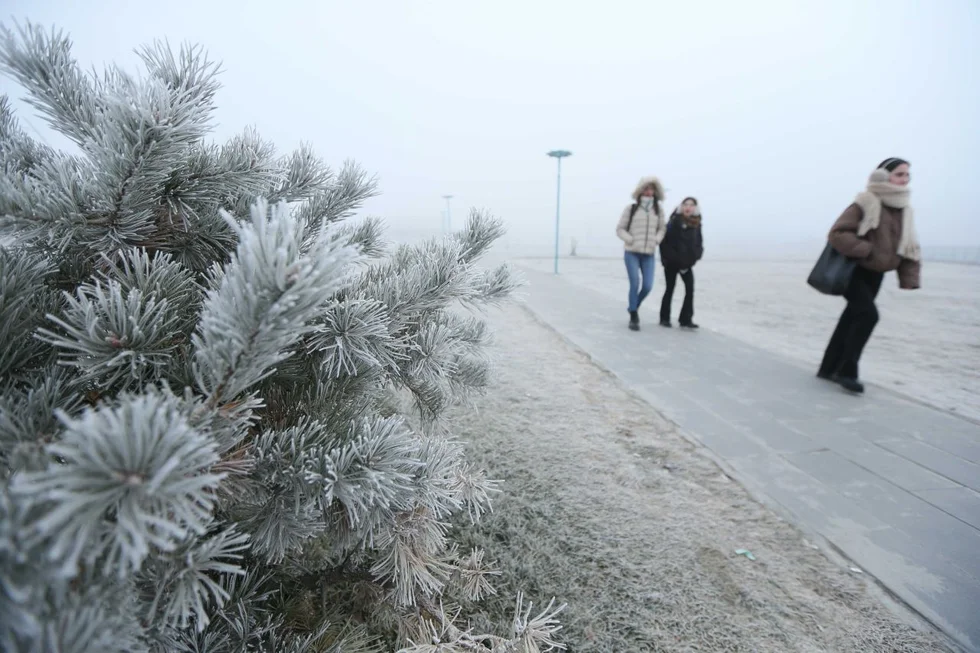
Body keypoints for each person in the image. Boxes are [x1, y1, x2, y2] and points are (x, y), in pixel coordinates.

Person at [817, 157, 921, 394]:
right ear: (883, 176)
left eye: (907, 175)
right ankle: (847, 371)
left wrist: (909, 277)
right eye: (899, 174)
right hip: (854, 270)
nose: (904, 180)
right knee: (868, 315)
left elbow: (908, 246)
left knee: (851, 318)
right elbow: (838, 233)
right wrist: (866, 250)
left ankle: (827, 368)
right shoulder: (865, 202)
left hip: (876, 274)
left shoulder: (904, 209)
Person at [616, 176, 667, 331]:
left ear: (655, 191)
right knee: (635, 283)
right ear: (640, 190)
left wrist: (656, 239)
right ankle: (634, 316)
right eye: (645, 188)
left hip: (649, 253)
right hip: (631, 252)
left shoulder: (658, 210)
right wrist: (629, 239)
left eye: (651, 189)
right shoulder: (631, 209)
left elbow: (662, 229)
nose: (648, 191)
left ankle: (633, 306)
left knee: (647, 286)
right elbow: (620, 229)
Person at [659, 197, 704, 329]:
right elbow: (665, 243)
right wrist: (670, 259)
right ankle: (664, 318)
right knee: (670, 288)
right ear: (681, 206)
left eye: (691, 205)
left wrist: (696, 256)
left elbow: (698, 243)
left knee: (690, 289)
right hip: (672, 262)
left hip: (687, 264)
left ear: (695, 208)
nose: (688, 207)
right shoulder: (674, 221)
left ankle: (686, 319)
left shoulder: (697, 223)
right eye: (685, 204)